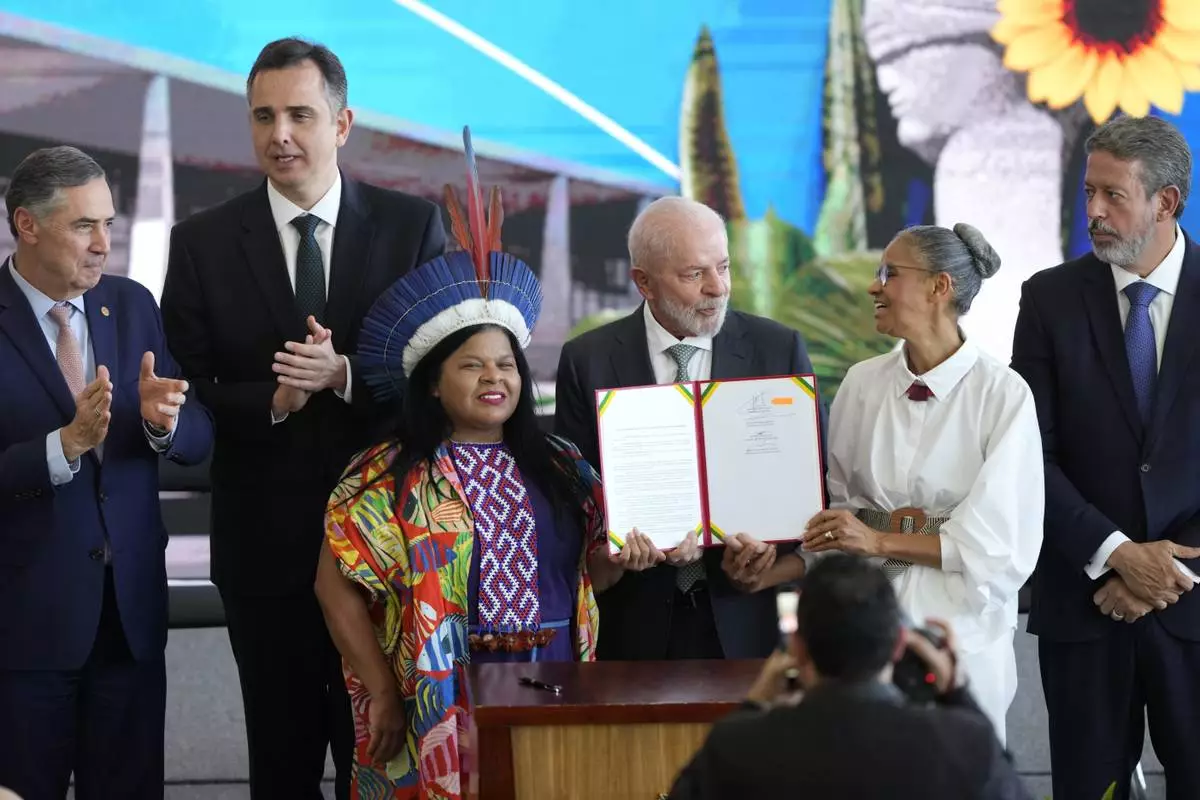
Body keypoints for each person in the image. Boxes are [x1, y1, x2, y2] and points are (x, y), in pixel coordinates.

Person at [316, 132, 662, 798]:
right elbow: (334, 590)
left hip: (557, 676)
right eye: (471, 365)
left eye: (505, 364)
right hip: (441, 689)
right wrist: (384, 691)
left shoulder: (563, 466)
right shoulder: (386, 474)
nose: (493, 378)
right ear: (434, 383)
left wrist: (622, 559)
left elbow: (592, 572)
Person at [160, 37, 446, 799]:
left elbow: (446, 379)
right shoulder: (202, 243)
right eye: (262, 116)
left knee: (394, 764)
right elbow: (178, 387)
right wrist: (275, 400)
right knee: (281, 767)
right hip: (267, 554)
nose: (279, 133)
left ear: (343, 122)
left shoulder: (412, 227)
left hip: (393, 550)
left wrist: (346, 374)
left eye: (299, 114)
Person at [0, 146, 214, 799]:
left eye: (109, 225)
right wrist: (63, 445)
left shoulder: (132, 304)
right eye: (83, 225)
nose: (103, 245)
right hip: (23, 630)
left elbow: (199, 435)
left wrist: (163, 420)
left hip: (129, 620)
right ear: (26, 225)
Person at [795, 222, 1043, 746]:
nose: (873, 287)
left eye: (890, 273)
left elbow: (1001, 547)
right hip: (862, 632)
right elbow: (837, 506)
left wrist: (880, 539)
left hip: (960, 632)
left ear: (939, 287)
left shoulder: (1003, 395)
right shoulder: (861, 383)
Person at [1010, 114, 1200, 800]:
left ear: (1166, 202)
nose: (1091, 210)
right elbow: (1029, 453)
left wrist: (1165, 568)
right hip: (1084, 606)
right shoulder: (1048, 299)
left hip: (1194, 606)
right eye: (1088, 191)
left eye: (1112, 195)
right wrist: (1117, 553)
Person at [554, 196, 821, 661]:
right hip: (630, 622)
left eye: (724, 267)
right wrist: (610, 550)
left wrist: (766, 553)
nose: (717, 288)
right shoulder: (587, 360)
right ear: (643, 282)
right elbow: (572, 496)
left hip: (741, 618)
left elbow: (810, 483)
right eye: (694, 274)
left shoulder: (776, 349)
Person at [666, 554, 1033, 799]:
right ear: (900, 643)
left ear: (797, 646)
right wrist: (958, 693)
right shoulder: (962, 744)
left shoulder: (740, 747)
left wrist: (755, 702)